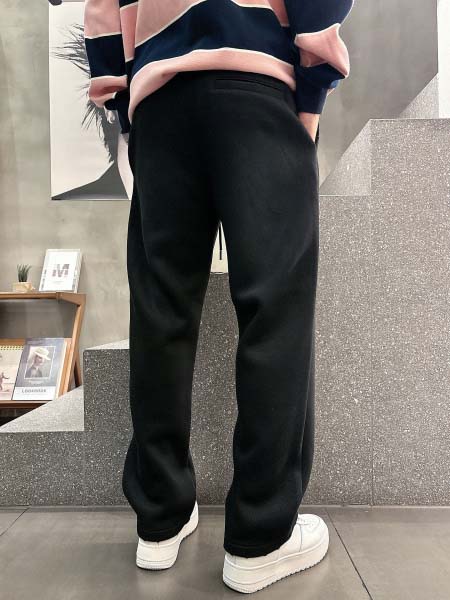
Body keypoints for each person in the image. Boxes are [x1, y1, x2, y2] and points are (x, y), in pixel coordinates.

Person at [84, 0, 353, 593]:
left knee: (160, 315)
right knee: (274, 312)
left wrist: (127, 106)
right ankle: (261, 535)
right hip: (257, 85)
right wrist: (308, 101)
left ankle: (160, 520)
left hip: (159, 99)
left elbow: (103, 6)